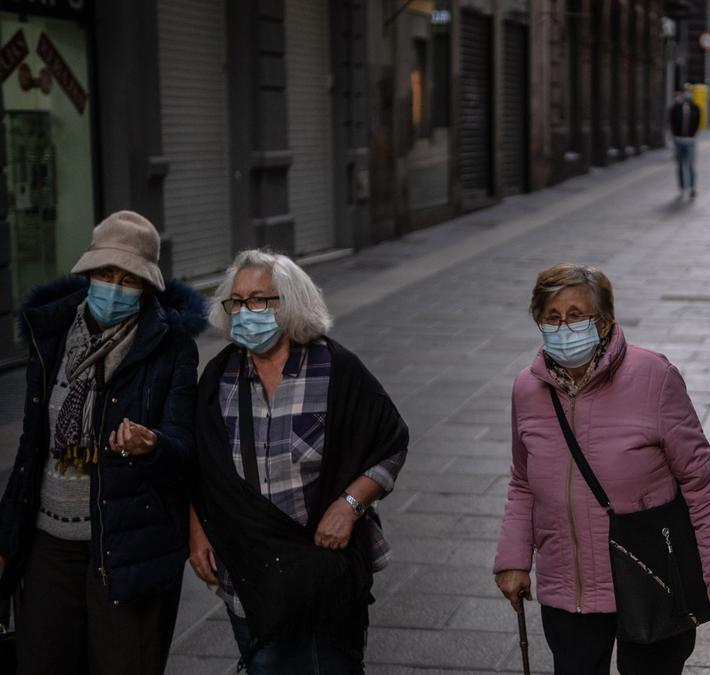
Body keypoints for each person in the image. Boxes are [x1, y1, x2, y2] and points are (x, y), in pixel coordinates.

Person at [494, 263, 710, 675]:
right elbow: (522, 482)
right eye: (552, 317)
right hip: (569, 591)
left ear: (604, 320)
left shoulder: (654, 377)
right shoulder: (528, 389)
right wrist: (513, 559)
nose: (564, 327)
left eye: (576, 315)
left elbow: (702, 483)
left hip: (650, 581)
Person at [0, 211, 205, 674]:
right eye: (105, 273)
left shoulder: (170, 348)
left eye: (127, 278)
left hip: (126, 546)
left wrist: (152, 444)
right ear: (88, 272)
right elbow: (31, 448)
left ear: (148, 287)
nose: (113, 287)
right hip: (48, 546)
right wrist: (8, 532)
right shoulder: (51, 337)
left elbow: (184, 447)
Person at [187, 249, 408, 674]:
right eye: (238, 301)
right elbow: (201, 466)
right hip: (249, 574)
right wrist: (197, 531)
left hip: (322, 572)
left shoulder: (336, 370)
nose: (246, 311)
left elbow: (392, 441)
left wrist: (350, 505)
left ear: (288, 304)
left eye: (260, 300)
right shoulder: (219, 378)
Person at [668, 85, 702, 199]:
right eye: (686, 92)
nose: (688, 94)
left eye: (689, 92)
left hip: (690, 140)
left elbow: (698, 121)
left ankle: (692, 188)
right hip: (678, 140)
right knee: (680, 165)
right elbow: (671, 121)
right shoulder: (675, 107)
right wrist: (675, 135)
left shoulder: (695, 107)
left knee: (691, 164)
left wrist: (693, 134)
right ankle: (682, 188)